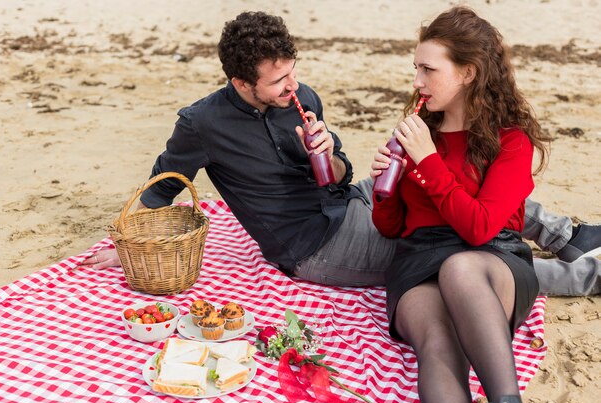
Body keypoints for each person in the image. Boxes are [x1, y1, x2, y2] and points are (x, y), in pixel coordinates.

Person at [81, 11, 601, 297]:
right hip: (313, 245)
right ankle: (584, 278)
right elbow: (165, 183)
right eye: (278, 79)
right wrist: (126, 246)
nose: (294, 85)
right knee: (445, 254)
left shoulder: (303, 99)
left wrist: (333, 157)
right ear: (242, 82)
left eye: (293, 70)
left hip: (346, 202)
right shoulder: (202, 124)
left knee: (452, 188)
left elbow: (338, 177)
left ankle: (564, 234)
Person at [369, 6, 557, 403]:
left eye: (428, 70)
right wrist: (385, 188)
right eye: (415, 68)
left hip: (493, 260)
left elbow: (479, 229)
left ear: (468, 72)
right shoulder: (420, 131)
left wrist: (429, 161)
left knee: (461, 267)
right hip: (419, 259)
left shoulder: (511, 140)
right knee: (437, 337)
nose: (417, 82)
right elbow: (392, 227)